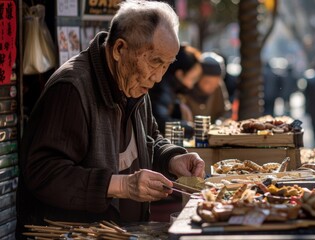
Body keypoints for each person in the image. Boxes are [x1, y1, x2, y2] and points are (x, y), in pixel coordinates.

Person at [15, 1, 205, 238]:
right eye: (155, 61)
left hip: (123, 232)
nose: (158, 77)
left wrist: (172, 158)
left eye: (166, 65)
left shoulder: (135, 84)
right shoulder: (72, 88)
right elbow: (42, 172)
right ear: (119, 49)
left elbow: (149, 139)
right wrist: (123, 185)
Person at [149, 44, 203, 138]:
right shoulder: (162, 88)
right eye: (193, 78)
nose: (192, 85)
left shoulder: (170, 87)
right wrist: (192, 129)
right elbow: (161, 123)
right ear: (180, 74)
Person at [182, 52, 232, 123]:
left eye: (216, 83)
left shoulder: (218, 87)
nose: (212, 87)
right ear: (198, 78)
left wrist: (220, 122)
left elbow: (225, 111)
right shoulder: (186, 88)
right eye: (207, 82)